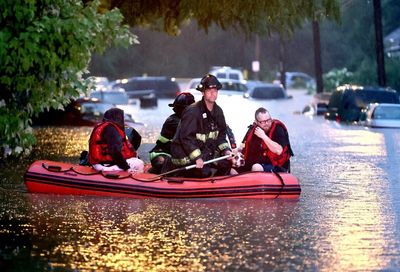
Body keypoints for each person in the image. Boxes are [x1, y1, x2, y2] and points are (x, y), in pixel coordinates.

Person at [167, 74, 232, 178]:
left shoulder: (218, 111)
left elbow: (221, 135)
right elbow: (186, 138)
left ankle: (217, 186)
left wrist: (226, 150)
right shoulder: (192, 112)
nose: (212, 93)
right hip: (184, 155)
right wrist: (197, 158)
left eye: (215, 91)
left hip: (204, 153)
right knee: (204, 172)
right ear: (203, 92)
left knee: (226, 164)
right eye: (209, 91)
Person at [148, 92, 195, 174]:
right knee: (164, 165)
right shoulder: (173, 121)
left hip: (177, 155)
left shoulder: (190, 120)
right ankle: (150, 174)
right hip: (162, 153)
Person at [88, 107, 144, 173]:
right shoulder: (111, 130)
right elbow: (115, 152)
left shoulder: (102, 127)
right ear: (116, 118)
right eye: (121, 118)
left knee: (133, 159)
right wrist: (126, 168)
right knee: (139, 163)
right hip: (105, 166)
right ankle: (132, 180)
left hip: (98, 164)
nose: (122, 120)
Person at [238, 107, 293, 173]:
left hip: (275, 166)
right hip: (255, 163)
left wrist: (263, 136)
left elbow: (279, 150)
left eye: (268, 120)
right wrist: (236, 152)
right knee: (232, 168)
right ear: (256, 122)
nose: (266, 123)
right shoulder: (252, 130)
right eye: (263, 122)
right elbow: (242, 147)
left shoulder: (278, 129)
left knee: (256, 167)